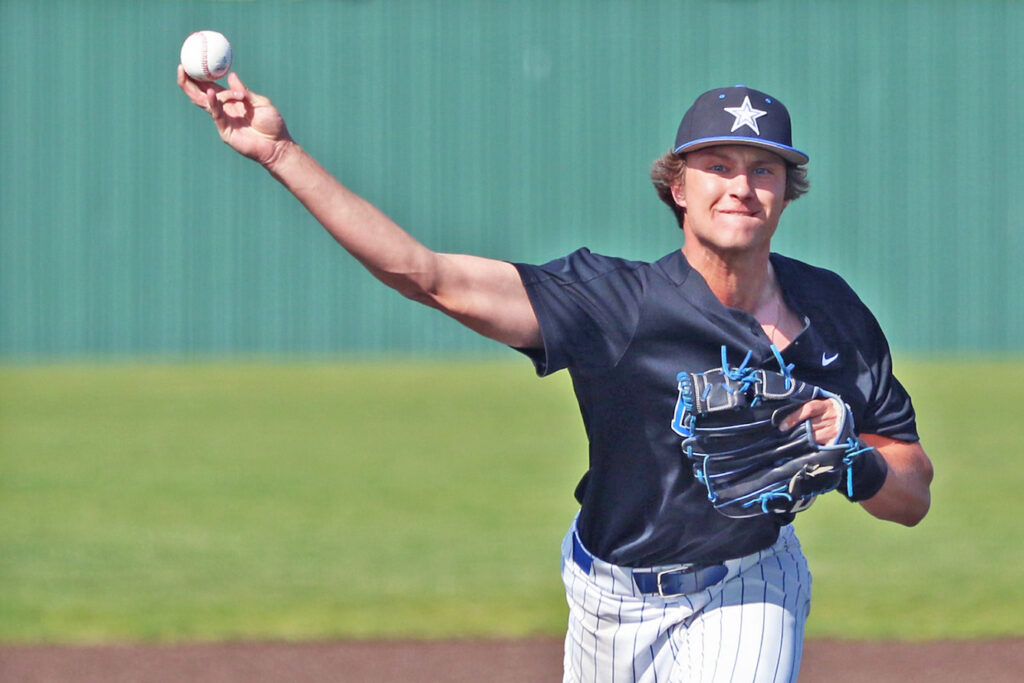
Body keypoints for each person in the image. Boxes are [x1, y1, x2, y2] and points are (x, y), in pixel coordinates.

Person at [178, 69, 933, 682]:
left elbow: (913, 488)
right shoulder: (619, 304)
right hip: (609, 593)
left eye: (763, 168)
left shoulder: (831, 311)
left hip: (748, 583)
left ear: (784, 192)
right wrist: (281, 154)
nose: (741, 185)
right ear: (678, 187)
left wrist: (852, 461)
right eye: (718, 165)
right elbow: (427, 275)